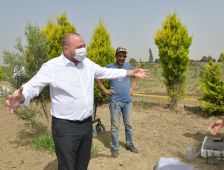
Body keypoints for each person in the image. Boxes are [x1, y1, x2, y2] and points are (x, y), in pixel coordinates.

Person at [5, 33, 149, 170]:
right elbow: (33, 86)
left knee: (82, 164)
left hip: (86, 125)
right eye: (79, 46)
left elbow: (106, 72)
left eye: (84, 45)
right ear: (66, 49)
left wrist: (130, 73)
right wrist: (22, 96)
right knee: (67, 165)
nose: (83, 50)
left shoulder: (87, 64)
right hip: (65, 127)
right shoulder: (52, 67)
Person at [96, 47, 138, 158]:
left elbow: (135, 76)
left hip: (127, 102)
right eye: (119, 55)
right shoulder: (110, 67)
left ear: (125, 57)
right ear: (116, 56)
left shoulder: (129, 66)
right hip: (115, 102)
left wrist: (132, 88)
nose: (122, 58)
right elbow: (97, 76)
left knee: (128, 125)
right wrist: (105, 90)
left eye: (124, 56)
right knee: (115, 127)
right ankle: (115, 148)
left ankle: (129, 144)